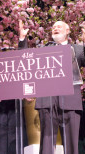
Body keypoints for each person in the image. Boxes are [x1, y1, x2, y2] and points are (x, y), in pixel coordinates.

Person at [18, 20, 85, 154]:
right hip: (47, 102)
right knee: (46, 145)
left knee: (72, 146)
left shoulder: (77, 49)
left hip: (70, 102)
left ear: (67, 31)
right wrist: (22, 39)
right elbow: (26, 61)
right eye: (53, 27)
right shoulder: (44, 50)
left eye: (59, 26)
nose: (55, 28)